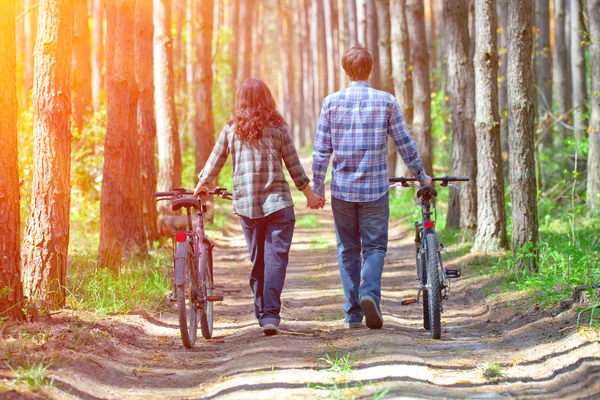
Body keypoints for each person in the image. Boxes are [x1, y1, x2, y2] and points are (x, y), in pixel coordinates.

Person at [312, 47, 432, 330]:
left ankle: (354, 313)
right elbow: (404, 143)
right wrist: (420, 175)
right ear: (370, 69)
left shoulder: (331, 103)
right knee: (375, 247)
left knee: (347, 249)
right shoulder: (386, 101)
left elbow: (320, 151)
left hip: (342, 190)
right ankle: (369, 292)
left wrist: (317, 188)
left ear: (346, 71)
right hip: (375, 190)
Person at [194, 78, 324, 336]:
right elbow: (295, 168)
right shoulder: (278, 129)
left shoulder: (231, 130)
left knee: (258, 260)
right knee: (275, 260)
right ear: (268, 100)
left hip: (247, 206)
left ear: (241, 101)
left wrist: (202, 184)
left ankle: (262, 311)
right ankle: (270, 316)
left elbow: (215, 161)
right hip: (278, 205)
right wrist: (310, 196)